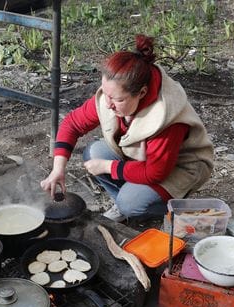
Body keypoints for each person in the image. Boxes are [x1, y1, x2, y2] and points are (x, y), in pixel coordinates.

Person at [40, 34, 214, 222]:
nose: (108, 104)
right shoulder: (115, 91)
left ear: (142, 93)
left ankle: (169, 209)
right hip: (145, 157)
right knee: (94, 152)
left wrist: (108, 166)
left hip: (181, 166)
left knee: (130, 202)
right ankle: (127, 200)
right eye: (106, 94)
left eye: (117, 99)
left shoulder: (166, 116)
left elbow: (155, 172)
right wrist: (58, 169)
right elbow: (73, 123)